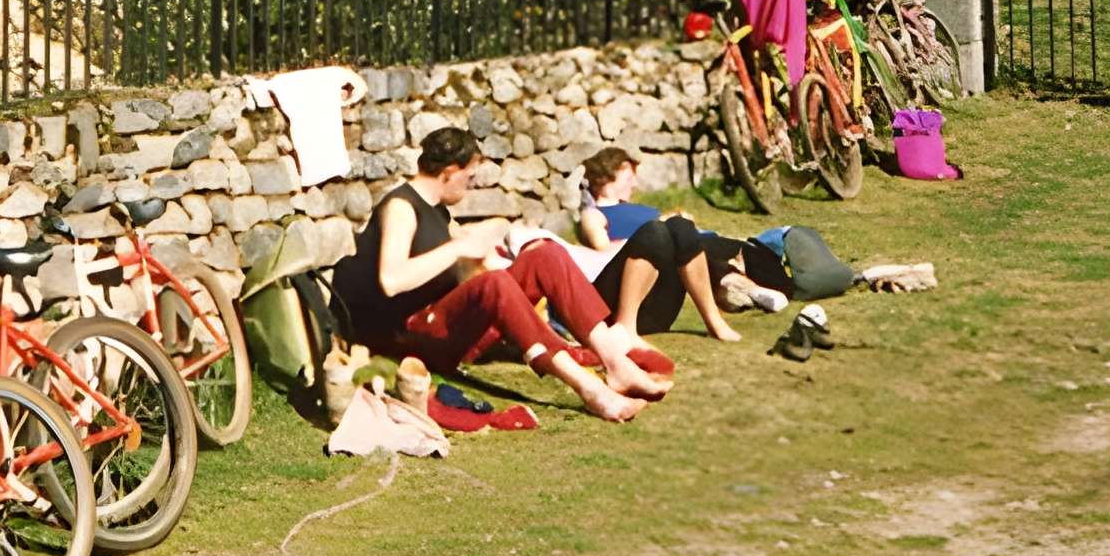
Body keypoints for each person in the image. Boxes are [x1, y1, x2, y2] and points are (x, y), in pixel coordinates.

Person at [331, 128, 673, 425]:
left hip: (444, 322)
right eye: (468, 176)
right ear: (450, 172)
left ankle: (614, 361)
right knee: (494, 284)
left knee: (545, 252)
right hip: (412, 336)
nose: (470, 185)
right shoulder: (401, 209)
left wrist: (512, 259)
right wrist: (459, 249)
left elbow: (485, 265)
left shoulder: (438, 211)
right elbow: (392, 279)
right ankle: (591, 390)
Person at [573, 147, 776, 339]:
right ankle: (737, 286)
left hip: (656, 309)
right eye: (628, 178)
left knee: (681, 226)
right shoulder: (594, 213)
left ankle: (716, 319)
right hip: (616, 304)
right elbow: (601, 248)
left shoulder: (639, 209)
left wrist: (669, 229)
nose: (634, 184)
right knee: (657, 232)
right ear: (606, 179)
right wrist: (651, 235)